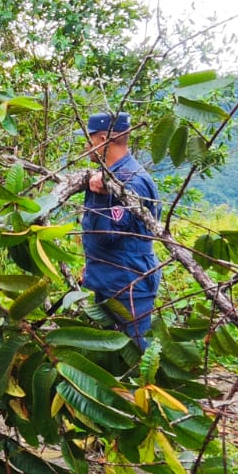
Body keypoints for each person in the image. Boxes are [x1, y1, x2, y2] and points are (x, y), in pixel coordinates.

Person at [77, 112, 161, 349]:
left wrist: (98, 194)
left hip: (129, 283)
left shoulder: (130, 181)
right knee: (110, 352)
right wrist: (93, 265)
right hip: (109, 278)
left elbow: (106, 235)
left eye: (90, 139)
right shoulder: (111, 176)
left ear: (103, 139)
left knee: (136, 352)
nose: (86, 145)